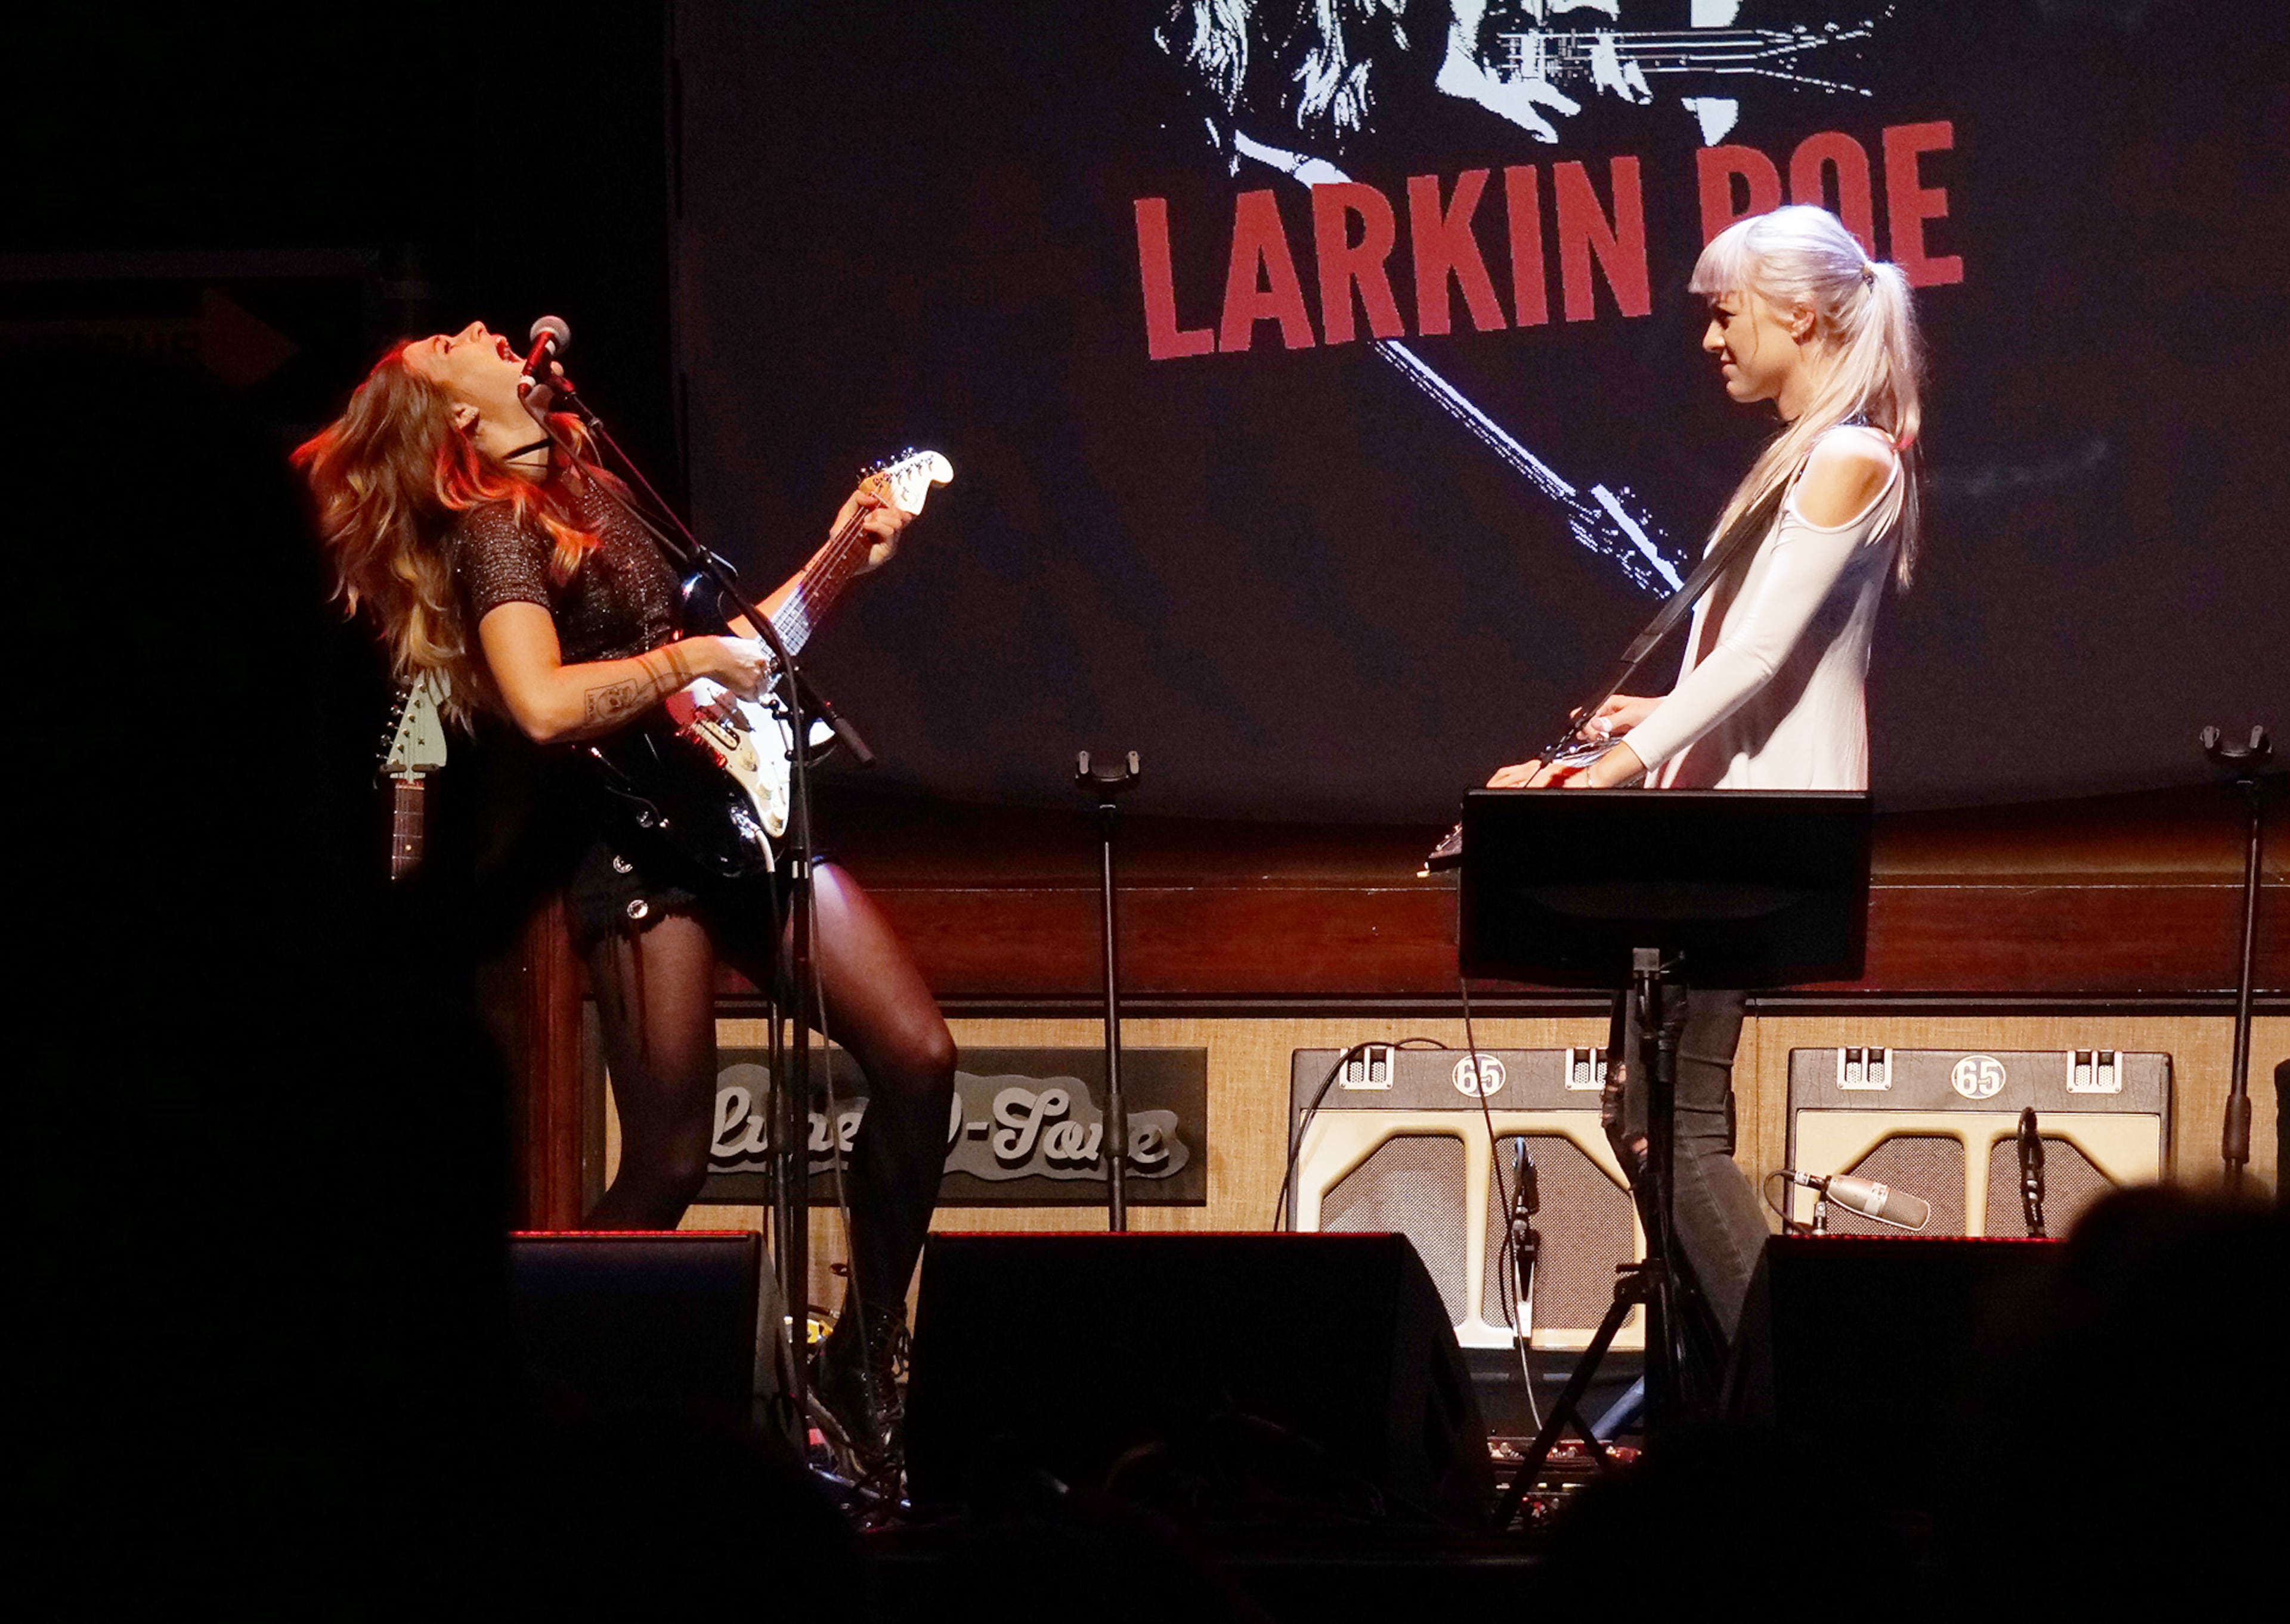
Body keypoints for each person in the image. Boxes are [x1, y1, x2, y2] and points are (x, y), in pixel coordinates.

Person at [294, 323, 956, 1465]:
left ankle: (862, 1359)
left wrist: (842, 556)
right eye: (456, 342)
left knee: (920, 1058)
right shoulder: (498, 528)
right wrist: (692, 664)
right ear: (456, 415)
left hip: (728, 813)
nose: (489, 332)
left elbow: (717, 655)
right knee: (667, 1163)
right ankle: (518, 1396)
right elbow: (546, 705)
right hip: (636, 845)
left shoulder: (590, 481)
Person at [1488, 204, 1925, 1347]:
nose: (1711, 340)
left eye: (1727, 312)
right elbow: (1741, 660)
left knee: (1673, 1132)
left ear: (1802, 311)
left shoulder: (1849, 455)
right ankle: (1724, 1384)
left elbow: (1763, 654)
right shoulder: (1808, 456)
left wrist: (1619, 771)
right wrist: (1650, 724)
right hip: (1724, 815)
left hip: (1758, 832)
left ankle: (1790, 1382)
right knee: (1644, 1118)